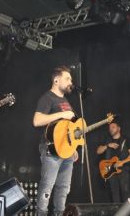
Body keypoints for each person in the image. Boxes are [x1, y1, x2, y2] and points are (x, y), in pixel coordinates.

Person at [33, 65, 79, 216]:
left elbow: (69, 129)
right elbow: (37, 120)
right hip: (51, 150)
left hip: (67, 151)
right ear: (56, 80)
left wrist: (74, 148)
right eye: (67, 78)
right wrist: (60, 115)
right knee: (47, 187)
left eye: (71, 79)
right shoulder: (47, 98)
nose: (70, 82)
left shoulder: (66, 101)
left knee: (64, 188)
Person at [96, 120, 130, 203]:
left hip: (123, 170)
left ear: (119, 128)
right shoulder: (107, 140)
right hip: (111, 171)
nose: (111, 129)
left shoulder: (125, 140)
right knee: (114, 194)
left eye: (113, 127)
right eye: (110, 128)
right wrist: (107, 145)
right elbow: (98, 151)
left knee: (125, 193)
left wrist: (122, 162)